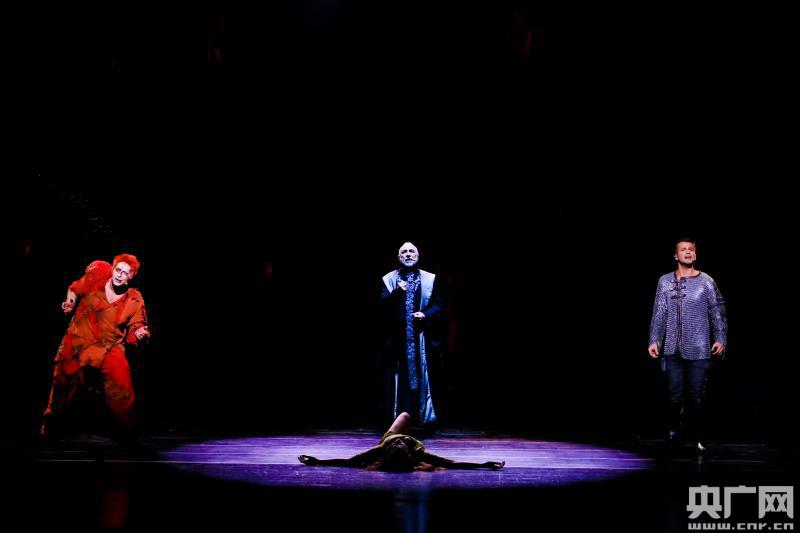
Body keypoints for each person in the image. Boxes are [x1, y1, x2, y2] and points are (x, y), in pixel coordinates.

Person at [41, 254, 150, 444]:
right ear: (112, 270)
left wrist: (140, 331)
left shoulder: (134, 298)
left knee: (121, 385)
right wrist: (70, 303)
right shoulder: (96, 279)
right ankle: (52, 427)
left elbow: (137, 323)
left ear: (131, 277)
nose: (119, 275)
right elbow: (74, 289)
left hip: (109, 346)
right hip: (77, 341)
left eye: (125, 273)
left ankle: (126, 433)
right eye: (118, 270)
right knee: (62, 385)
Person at [648, 238, 727, 451]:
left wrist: (720, 338)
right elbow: (659, 312)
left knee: (697, 394)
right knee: (674, 394)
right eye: (683, 249)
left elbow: (717, 310)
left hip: (699, 345)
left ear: (696, 254)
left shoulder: (706, 281)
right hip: (672, 347)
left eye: (691, 249)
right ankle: (675, 429)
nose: (688, 252)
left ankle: (699, 434)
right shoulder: (665, 281)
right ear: (676, 255)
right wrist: (654, 339)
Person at [378, 242, 445, 431]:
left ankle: (421, 419)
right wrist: (397, 292)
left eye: (411, 251)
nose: (408, 254)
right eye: (404, 252)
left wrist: (425, 314)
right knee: (398, 380)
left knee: (423, 378)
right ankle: (396, 420)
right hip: (397, 340)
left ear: (418, 255)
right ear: (399, 257)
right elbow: (382, 306)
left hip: (421, 339)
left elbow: (439, 304)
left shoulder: (429, 278)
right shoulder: (390, 279)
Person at [298, 412, 505, 471]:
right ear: (409, 454)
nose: (400, 443)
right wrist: (484, 464)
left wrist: (318, 461)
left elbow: (349, 461)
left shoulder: (383, 446)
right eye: (401, 447)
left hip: (390, 433)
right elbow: (450, 463)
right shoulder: (418, 453)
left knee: (405, 415)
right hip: (416, 444)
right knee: (410, 418)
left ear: (387, 451)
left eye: (396, 446)